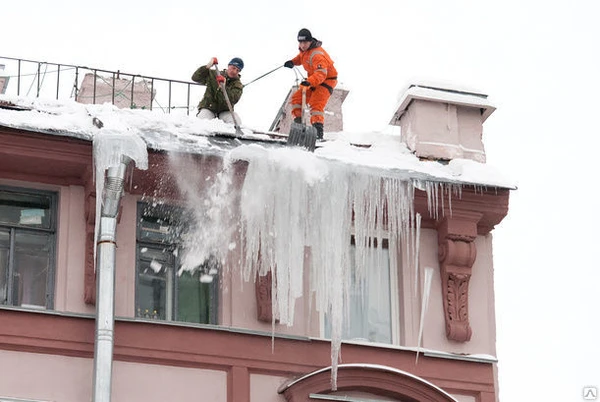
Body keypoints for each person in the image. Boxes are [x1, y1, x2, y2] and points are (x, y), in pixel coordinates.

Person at [283, 28, 337, 140]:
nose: (302, 45)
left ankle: (317, 134)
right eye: (300, 42)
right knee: (297, 99)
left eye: (305, 42)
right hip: (313, 80)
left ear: (310, 41)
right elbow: (301, 58)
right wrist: (292, 62)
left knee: (316, 104)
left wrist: (309, 82)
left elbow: (321, 74)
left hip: (326, 81)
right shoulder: (305, 52)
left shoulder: (318, 54)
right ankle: (299, 127)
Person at [191, 57, 244, 125]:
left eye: (237, 70)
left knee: (235, 121)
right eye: (233, 68)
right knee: (202, 121)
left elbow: (233, 99)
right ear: (228, 66)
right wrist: (207, 66)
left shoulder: (238, 85)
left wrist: (224, 88)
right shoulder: (213, 74)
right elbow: (195, 78)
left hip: (225, 111)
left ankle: (231, 134)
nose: (234, 71)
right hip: (208, 108)